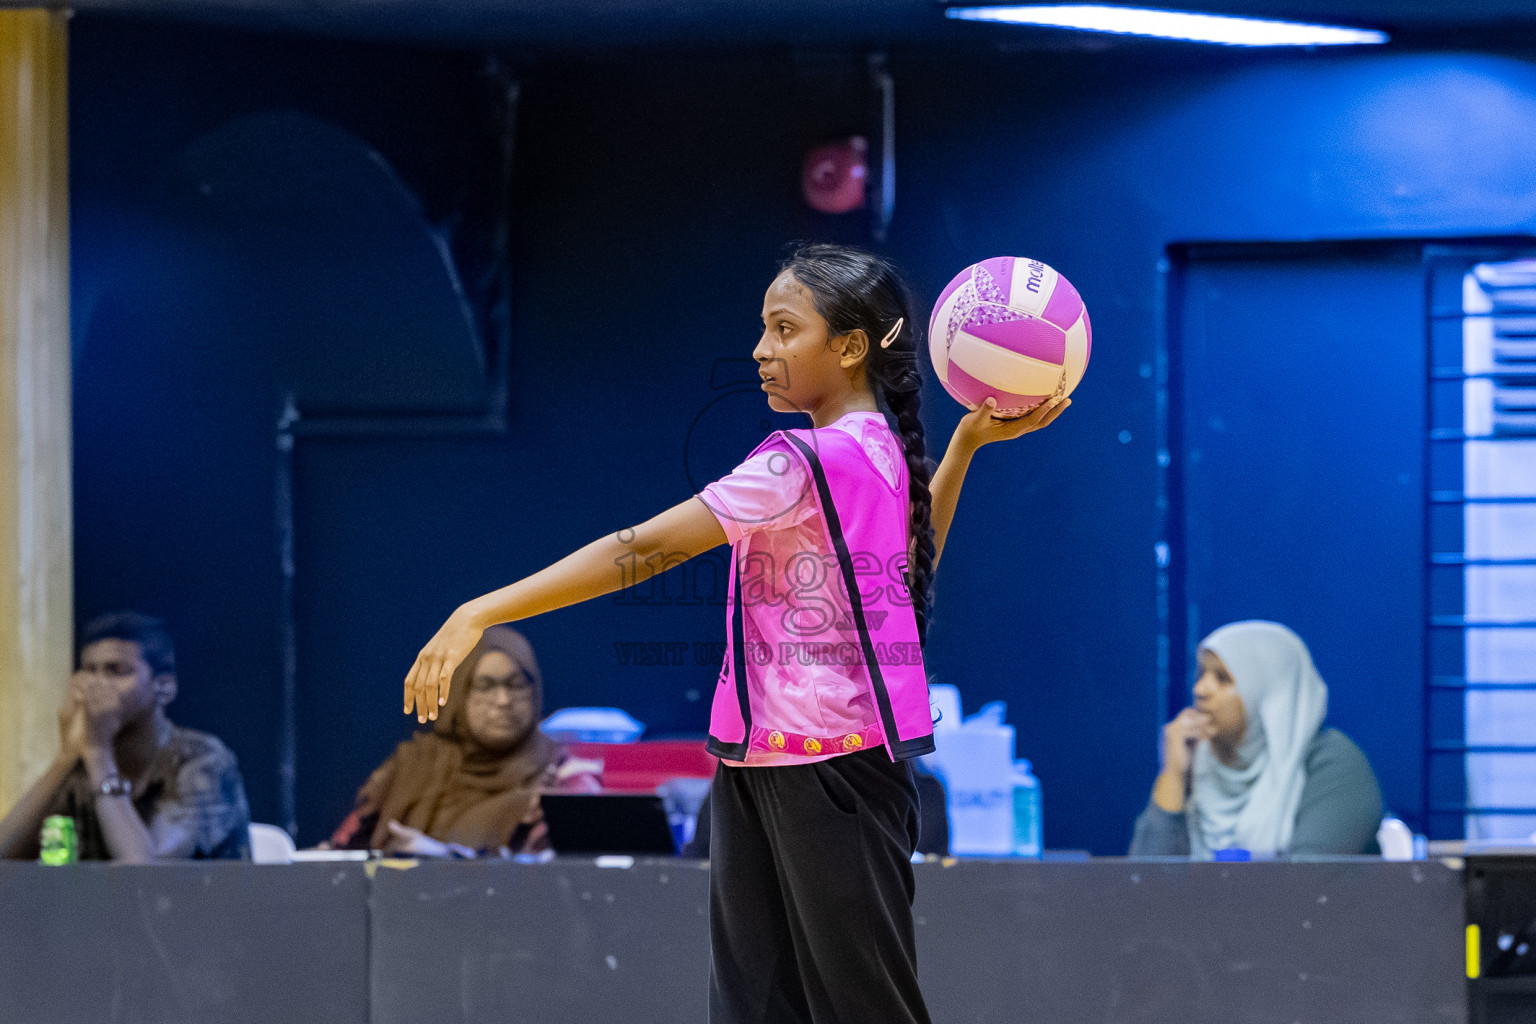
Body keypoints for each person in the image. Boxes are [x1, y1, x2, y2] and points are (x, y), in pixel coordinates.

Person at [401, 244, 1069, 1024]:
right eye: (762, 328)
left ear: (850, 347)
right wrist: (963, 447)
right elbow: (910, 567)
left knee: (859, 1008)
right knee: (757, 1009)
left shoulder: (804, 460)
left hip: (829, 774)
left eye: (785, 329)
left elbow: (645, 548)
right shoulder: (879, 449)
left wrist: (483, 609)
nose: (761, 348)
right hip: (766, 767)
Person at [328, 625, 599, 857]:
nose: (503, 701)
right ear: (458, 694)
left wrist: (442, 860)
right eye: (485, 686)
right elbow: (341, 851)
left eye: (516, 684)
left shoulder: (563, 776)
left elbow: (563, 879)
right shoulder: (414, 765)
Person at [0, 611, 250, 862]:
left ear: (163, 687)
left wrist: (100, 756)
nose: (96, 685)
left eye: (116, 671)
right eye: (89, 671)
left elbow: (145, 878)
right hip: (100, 902)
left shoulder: (201, 761)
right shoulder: (83, 764)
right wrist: (64, 759)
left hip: (195, 900)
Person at [1129, 620, 1384, 859]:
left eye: (1222, 678)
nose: (1200, 690)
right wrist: (1173, 774)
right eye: (1201, 674)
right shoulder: (1200, 762)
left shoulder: (1331, 763)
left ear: (1269, 693)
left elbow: (1307, 888)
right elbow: (1143, 891)